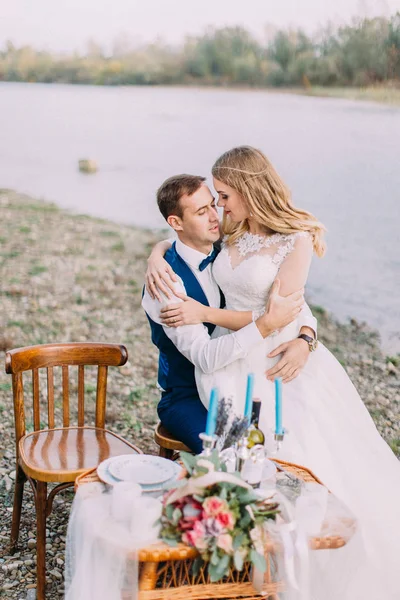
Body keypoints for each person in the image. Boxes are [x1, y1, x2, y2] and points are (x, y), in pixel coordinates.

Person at [147, 147, 400, 599]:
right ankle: (230, 563)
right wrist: (157, 252)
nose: (217, 210)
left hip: (270, 361)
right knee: (246, 457)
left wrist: (305, 338)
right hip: (212, 374)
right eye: (210, 203)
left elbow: (290, 311)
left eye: (220, 198)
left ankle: (289, 568)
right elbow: (209, 344)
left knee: (302, 461)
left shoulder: (270, 238)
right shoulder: (198, 257)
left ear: (245, 191)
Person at [142, 173, 317, 453]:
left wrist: (306, 337)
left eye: (214, 204)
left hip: (244, 375)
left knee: (300, 440)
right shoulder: (167, 284)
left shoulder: (226, 247)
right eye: (202, 211)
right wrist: (265, 325)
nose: (215, 216)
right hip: (188, 396)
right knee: (236, 455)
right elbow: (205, 358)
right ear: (175, 223)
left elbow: (287, 299)